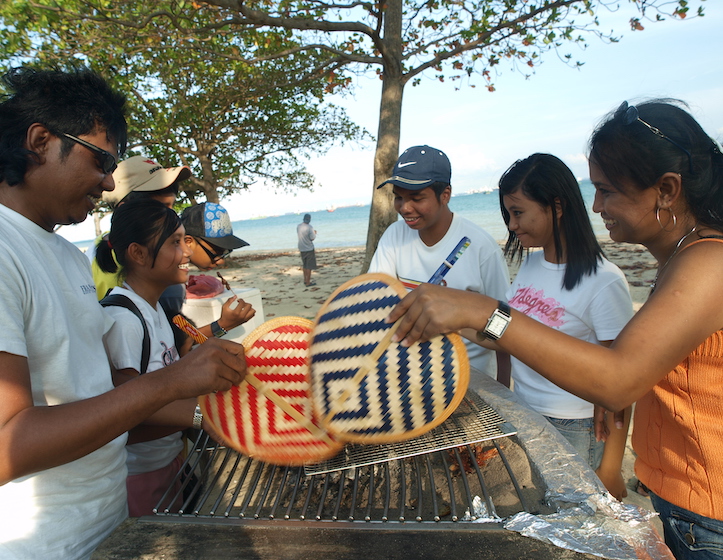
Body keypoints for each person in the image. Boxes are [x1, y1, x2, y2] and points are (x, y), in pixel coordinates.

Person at [388, 100, 723, 560]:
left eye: (607, 190)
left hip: (708, 511)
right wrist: (463, 317)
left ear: (666, 189)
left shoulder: (709, 263)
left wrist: (483, 309)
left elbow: (617, 378)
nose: (598, 205)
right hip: (682, 496)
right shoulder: (682, 260)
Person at [0, 67, 246, 559]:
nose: (110, 181)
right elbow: (8, 444)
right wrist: (174, 385)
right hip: (44, 544)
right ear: (40, 141)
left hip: (109, 523)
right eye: (102, 159)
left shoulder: (65, 255)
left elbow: (102, 393)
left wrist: (206, 400)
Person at [498, 153, 633, 500]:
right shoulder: (531, 265)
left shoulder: (604, 281)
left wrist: (610, 468)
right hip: (526, 412)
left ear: (556, 206)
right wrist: (455, 318)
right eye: (508, 214)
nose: (512, 225)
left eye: (518, 212)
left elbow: (621, 388)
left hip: (574, 427)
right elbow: (505, 333)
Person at [368, 145, 511, 386]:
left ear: (445, 194)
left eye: (417, 198)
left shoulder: (481, 247)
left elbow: (505, 325)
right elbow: (374, 300)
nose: (404, 208)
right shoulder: (394, 236)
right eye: (399, 197)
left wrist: (506, 390)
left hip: (469, 381)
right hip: (408, 378)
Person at [96, 199, 199, 516]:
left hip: (168, 462)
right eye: (173, 242)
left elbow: (174, 365)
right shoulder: (124, 320)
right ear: (138, 253)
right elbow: (124, 415)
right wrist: (204, 417)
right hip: (139, 477)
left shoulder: (156, 309)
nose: (186, 252)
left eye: (184, 240)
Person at [90, 155, 191, 300]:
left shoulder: (105, 244)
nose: (173, 216)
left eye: (172, 207)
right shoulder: (143, 272)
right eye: (163, 208)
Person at [175, 201, 255, 340]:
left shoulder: (177, 280)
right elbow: (179, 342)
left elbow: (181, 332)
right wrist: (222, 325)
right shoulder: (169, 285)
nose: (221, 261)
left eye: (225, 253)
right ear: (188, 242)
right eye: (215, 252)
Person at [297, 213, 317, 286]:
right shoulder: (309, 227)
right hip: (308, 248)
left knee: (305, 265)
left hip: (301, 247)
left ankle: (305, 280)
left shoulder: (299, 226)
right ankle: (308, 282)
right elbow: (312, 238)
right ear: (309, 219)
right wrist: (314, 233)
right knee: (309, 266)